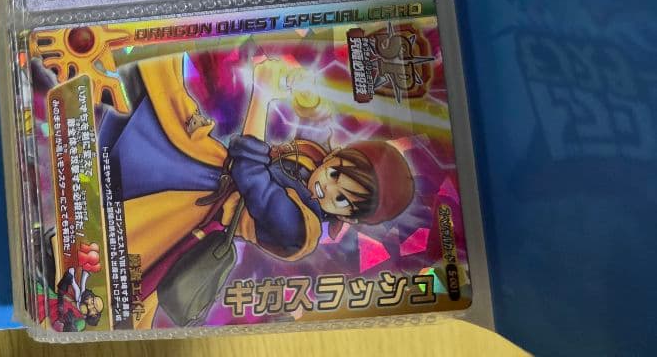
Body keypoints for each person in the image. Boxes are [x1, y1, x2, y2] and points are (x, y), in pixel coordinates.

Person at [88, 51, 415, 327]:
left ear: (350, 218)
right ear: (334, 156)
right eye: (334, 173)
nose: (325, 188)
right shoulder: (310, 161)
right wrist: (297, 88)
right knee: (159, 97)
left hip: (198, 210)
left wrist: (261, 94)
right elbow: (296, 131)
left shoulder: (300, 230)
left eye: (341, 199)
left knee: (129, 230)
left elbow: (250, 175)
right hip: (206, 170)